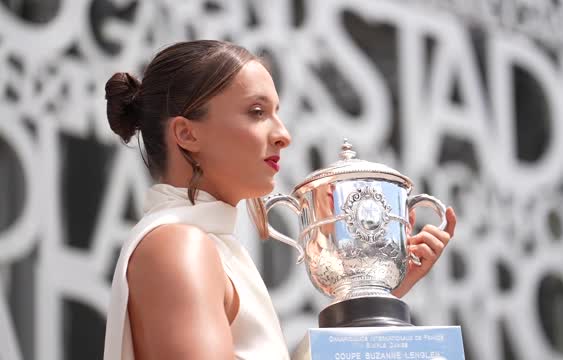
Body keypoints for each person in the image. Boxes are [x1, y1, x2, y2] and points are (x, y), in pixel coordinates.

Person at [102, 40, 457, 360]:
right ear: (186, 133)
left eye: (276, 112)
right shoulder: (179, 246)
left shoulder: (201, 245)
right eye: (257, 112)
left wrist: (369, 297)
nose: (284, 135)